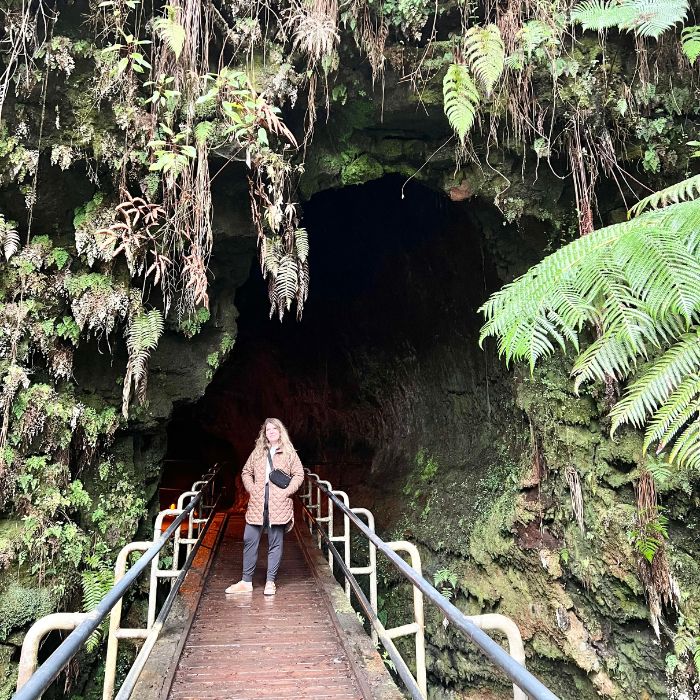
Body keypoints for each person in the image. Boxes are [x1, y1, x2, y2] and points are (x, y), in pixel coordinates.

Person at [225, 418, 304, 596]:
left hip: (279, 503)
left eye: (274, 429)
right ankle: (246, 581)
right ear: (264, 433)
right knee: (249, 539)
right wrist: (252, 489)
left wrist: (287, 492)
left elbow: (299, 474)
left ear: (280, 431)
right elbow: (246, 472)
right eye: (268, 429)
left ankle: (270, 582)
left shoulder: (289, 452)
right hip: (257, 503)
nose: (271, 432)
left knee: (275, 542)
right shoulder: (258, 452)